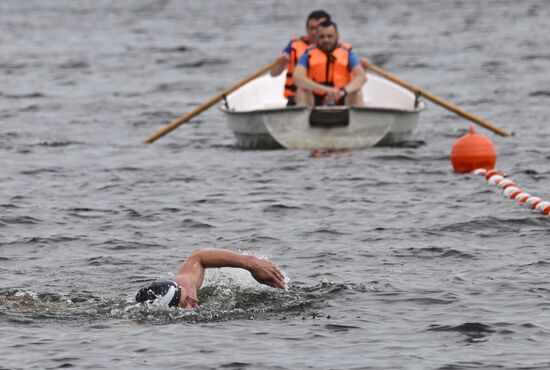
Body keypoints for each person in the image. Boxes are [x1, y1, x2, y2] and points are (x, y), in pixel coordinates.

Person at [135, 248, 286, 309]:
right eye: (186, 302)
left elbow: (199, 256)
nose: (194, 301)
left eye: (187, 295)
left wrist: (252, 264)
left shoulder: (184, 285)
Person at [293, 21, 367, 107]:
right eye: (322, 37)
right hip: (316, 98)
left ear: (337, 37)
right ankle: (304, 119)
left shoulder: (348, 53)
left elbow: (361, 77)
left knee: (356, 91)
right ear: (316, 38)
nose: (326, 40)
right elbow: (297, 78)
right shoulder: (307, 54)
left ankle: (356, 119)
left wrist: (342, 92)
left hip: (342, 96)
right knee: (302, 91)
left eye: (330, 36)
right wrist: (326, 89)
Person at [270, 10, 332, 106]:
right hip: (299, 98)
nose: (314, 32)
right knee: (303, 91)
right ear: (307, 30)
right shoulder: (294, 46)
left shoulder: (338, 49)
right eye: (311, 28)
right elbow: (273, 73)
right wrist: (280, 64)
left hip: (330, 98)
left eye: (319, 27)